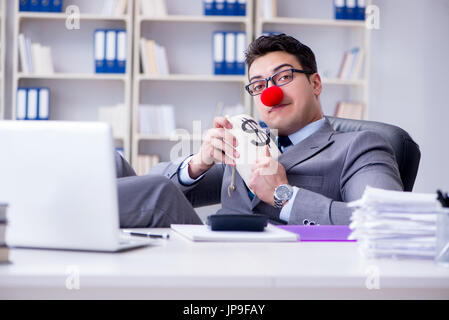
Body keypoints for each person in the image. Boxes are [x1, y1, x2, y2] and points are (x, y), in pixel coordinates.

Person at [117, 33, 403, 227]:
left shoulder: (360, 145)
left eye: (283, 77)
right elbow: (168, 189)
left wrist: (284, 195)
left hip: (278, 270)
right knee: (115, 164)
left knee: (154, 193)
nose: (270, 94)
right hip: (214, 252)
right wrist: (198, 163)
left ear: (315, 84)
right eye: (259, 85)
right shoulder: (250, 141)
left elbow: (384, 220)